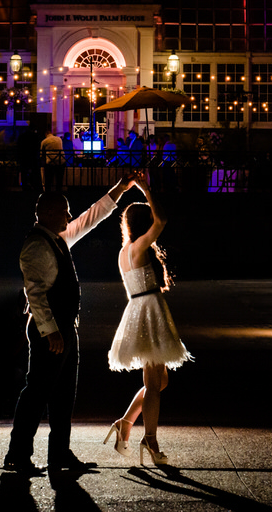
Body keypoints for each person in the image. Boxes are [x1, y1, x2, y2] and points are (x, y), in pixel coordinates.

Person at [4, 174, 139, 475]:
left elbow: (91, 218)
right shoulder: (37, 245)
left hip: (64, 328)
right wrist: (51, 331)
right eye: (64, 211)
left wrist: (119, 189)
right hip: (50, 332)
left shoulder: (58, 237)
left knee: (64, 395)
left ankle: (59, 455)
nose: (69, 216)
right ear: (50, 213)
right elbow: (35, 292)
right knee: (37, 393)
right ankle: (18, 455)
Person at [103, 177, 191, 466]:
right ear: (145, 222)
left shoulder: (124, 252)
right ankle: (150, 440)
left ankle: (126, 423)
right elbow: (163, 218)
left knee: (160, 380)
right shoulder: (140, 247)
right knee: (154, 384)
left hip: (139, 308)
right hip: (149, 309)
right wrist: (146, 190)